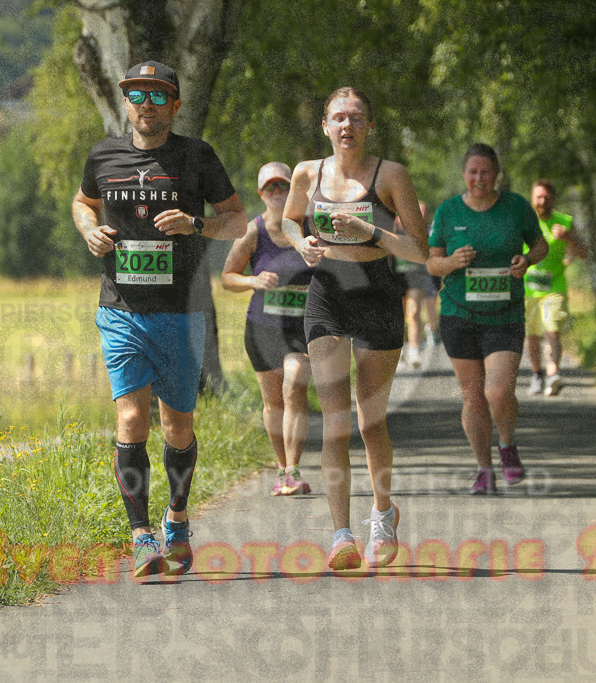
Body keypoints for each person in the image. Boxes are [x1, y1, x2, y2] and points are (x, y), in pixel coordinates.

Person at [72, 61, 246, 580]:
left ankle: (178, 517)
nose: (145, 103)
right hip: (120, 308)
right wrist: (89, 230)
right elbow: (84, 202)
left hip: (182, 310)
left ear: (174, 104)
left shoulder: (197, 156)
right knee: (131, 419)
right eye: (136, 94)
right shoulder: (104, 154)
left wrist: (196, 223)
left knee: (177, 424)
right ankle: (141, 537)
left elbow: (237, 219)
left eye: (156, 94)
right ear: (126, 103)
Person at [282, 87, 428, 570]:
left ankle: (382, 516)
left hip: (378, 296)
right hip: (326, 295)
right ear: (325, 126)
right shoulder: (307, 173)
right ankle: (341, 534)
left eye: (356, 118)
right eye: (338, 118)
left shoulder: (391, 175)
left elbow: (418, 250)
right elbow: (288, 221)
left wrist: (371, 233)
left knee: (370, 423)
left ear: (369, 126)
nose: (347, 126)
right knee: (336, 424)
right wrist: (301, 240)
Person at [426, 144, 548, 495]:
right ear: (464, 174)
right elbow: (432, 263)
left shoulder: (516, 207)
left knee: (497, 391)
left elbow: (541, 246)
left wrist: (527, 261)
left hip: (504, 313)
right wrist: (452, 262)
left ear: (497, 174)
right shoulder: (448, 211)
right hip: (458, 313)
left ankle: (507, 446)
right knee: (473, 397)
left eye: (486, 172)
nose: (479, 178)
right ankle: (483, 468)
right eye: (472, 172)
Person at [221, 161, 314, 496]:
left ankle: (294, 468)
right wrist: (253, 280)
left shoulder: (309, 227)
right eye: (270, 187)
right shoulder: (253, 231)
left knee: (295, 384)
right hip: (262, 328)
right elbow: (227, 278)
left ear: (294, 190)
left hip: (301, 328)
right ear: (261, 193)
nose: (277, 192)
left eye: (283, 186)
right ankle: (281, 470)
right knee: (273, 402)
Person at [524, 179, 588, 396]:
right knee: (531, 335)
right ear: (532, 199)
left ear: (554, 199)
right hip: (526, 289)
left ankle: (553, 375)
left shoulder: (565, 222)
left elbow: (584, 253)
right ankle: (537, 375)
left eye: (546, 197)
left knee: (552, 329)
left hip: (554, 286)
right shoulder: (524, 221)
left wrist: (569, 238)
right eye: (538, 197)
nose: (542, 201)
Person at [395, 200, 440, 368]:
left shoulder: (423, 231)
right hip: (396, 276)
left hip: (416, 276)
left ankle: (414, 351)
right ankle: (399, 352)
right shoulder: (393, 228)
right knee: (398, 316)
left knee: (413, 312)